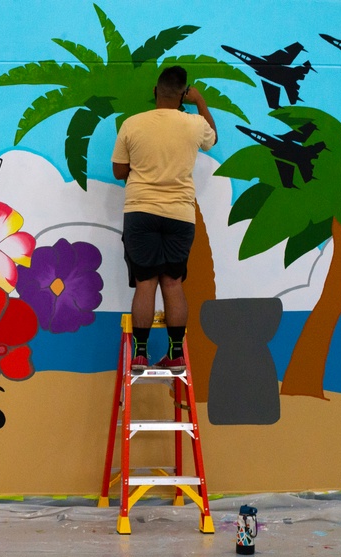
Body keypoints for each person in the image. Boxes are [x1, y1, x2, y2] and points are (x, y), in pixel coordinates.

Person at [111, 65, 217, 374]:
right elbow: (212, 139)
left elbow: (119, 172)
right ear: (183, 93)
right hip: (179, 215)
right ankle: (176, 354)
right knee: (173, 283)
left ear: (156, 91)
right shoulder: (195, 124)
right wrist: (200, 103)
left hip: (140, 211)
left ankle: (140, 354)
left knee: (145, 283)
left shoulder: (132, 124)